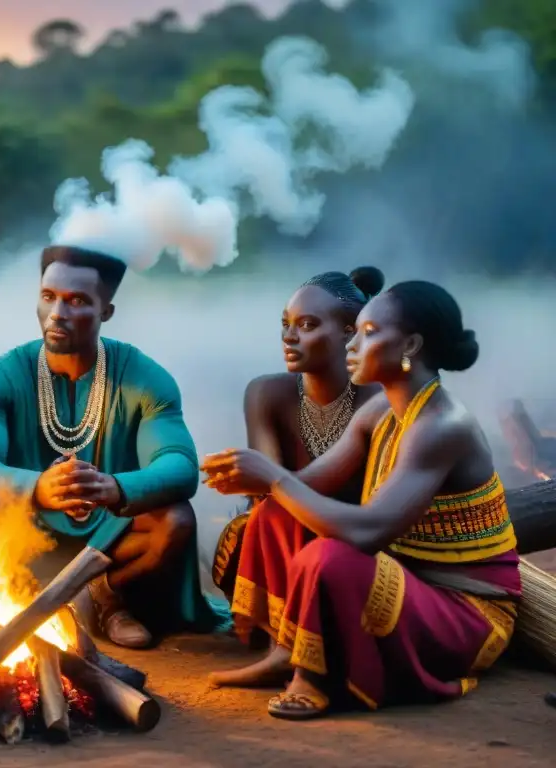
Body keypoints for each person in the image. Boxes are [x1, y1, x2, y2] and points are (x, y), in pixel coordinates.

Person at [202, 280, 520, 720]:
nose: (351, 343)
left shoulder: (443, 425)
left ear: (410, 344)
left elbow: (368, 532)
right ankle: (285, 650)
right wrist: (248, 477)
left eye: (368, 332)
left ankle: (312, 679)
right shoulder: (380, 411)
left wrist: (273, 477)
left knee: (329, 556)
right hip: (408, 582)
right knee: (277, 514)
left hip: (464, 611)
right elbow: (308, 485)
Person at [0, 244, 232, 649]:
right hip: (28, 528)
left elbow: (180, 466)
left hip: (115, 531)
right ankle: (19, 606)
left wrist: (113, 488)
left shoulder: (147, 378)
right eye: (48, 297)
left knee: (175, 521)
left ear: (106, 312)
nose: (57, 313)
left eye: (77, 301)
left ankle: (106, 597)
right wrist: (38, 488)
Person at [211, 267, 385, 606]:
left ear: (348, 332)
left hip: (356, 539)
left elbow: (380, 511)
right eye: (285, 324)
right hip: (282, 534)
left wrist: (266, 476)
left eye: (307, 325)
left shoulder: (379, 400)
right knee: (260, 521)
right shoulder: (266, 393)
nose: (288, 337)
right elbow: (268, 499)